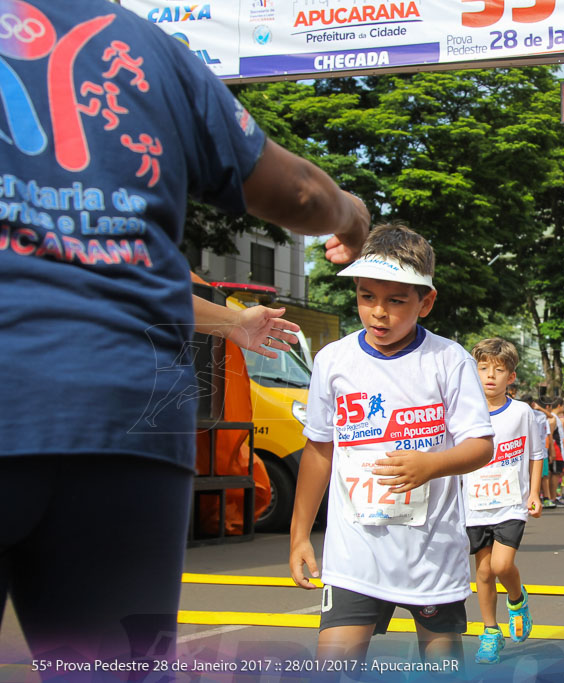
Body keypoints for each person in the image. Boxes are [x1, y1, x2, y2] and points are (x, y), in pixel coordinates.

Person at [0, 0, 370, 664]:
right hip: (126, 417)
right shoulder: (145, 48)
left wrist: (233, 320)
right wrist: (352, 213)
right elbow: (303, 196)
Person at [289, 224, 495, 665]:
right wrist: (299, 535)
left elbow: (481, 446)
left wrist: (430, 466)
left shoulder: (448, 359)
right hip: (354, 553)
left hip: (430, 552)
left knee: (442, 666)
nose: (378, 313)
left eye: (396, 300)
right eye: (366, 297)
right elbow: (319, 449)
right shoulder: (334, 361)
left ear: (427, 301)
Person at [466, 338, 544, 664]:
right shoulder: (465, 412)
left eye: (498, 370)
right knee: (483, 573)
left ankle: (516, 599)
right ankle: (490, 632)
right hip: (473, 503)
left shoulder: (522, 413)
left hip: (512, 502)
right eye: (483, 368)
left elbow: (536, 454)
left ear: (511, 377)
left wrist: (535, 493)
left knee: (501, 565)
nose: (489, 376)